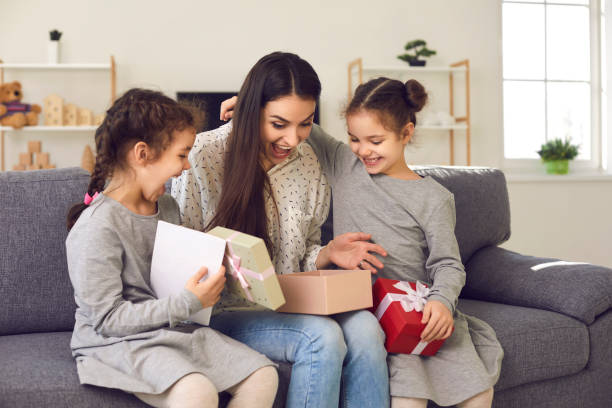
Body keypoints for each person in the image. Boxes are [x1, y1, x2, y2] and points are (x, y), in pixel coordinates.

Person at [172, 52, 390, 408]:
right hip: (222, 311)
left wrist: (326, 254)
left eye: (305, 124)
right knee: (322, 337)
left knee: (366, 329)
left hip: (291, 301)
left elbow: (302, 251)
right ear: (251, 111)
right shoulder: (200, 156)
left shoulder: (308, 164)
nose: (293, 139)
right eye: (279, 124)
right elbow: (179, 252)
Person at [298, 77, 504, 408]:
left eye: (375, 141)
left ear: (406, 133)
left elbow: (447, 263)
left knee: (479, 392)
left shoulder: (434, 198)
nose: (363, 150)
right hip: (371, 310)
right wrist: (252, 107)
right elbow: (302, 124)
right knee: (408, 397)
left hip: (419, 308)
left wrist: (441, 302)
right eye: (354, 139)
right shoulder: (344, 165)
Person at [65, 88, 278, 408]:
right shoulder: (97, 227)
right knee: (197, 391)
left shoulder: (166, 207)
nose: (187, 167)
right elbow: (107, 319)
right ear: (142, 154)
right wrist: (188, 302)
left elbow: (173, 272)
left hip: (168, 327)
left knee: (263, 375)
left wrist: (217, 264)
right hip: (114, 341)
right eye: (181, 155)